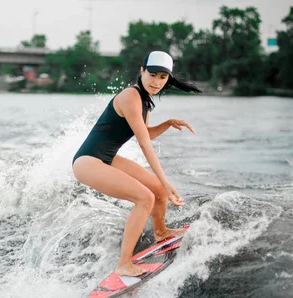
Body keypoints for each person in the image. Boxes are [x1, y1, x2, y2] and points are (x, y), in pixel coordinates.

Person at [72, 50, 201, 277]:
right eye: (152, 74)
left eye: (163, 77)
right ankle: (124, 263)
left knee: (157, 190)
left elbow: (146, 134)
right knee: (145, 197)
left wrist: (168, 123)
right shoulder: (131, 96)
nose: (156, 82)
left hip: (106, 158)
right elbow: (143, 144)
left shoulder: (145, 101)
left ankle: (160, 232)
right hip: (87, 161)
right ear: (142, 71)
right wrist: (167, 180)